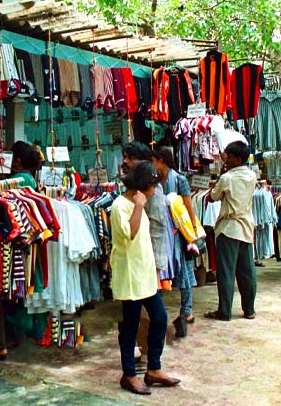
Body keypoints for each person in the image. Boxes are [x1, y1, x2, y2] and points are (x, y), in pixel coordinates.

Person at [111, 161, 180, 395]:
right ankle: (128, 374)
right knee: (130, 326)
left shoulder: (139, 204)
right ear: (144, 186)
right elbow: (130, 234)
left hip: (146, 274)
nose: (153, 192)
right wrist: (139, 207)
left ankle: (154, 369)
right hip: (130, 275)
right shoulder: (120, 205)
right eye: (152, 187)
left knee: (159, 318)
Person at [204, 141, 258, 320]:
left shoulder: (227, 178)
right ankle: (249, 309)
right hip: (246, 226)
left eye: (229, 156)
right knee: (247, 271)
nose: (225, 158)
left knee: (226, 271)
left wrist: (220, 176)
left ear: (238, 158)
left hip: (228, 228)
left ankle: (225, 311)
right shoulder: (252, 176)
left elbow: (213, 197)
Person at [152, 147, 198, 324]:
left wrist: (191, 232)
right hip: (160, 232)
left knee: (183, 271)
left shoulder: (179, 180)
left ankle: (187, 311)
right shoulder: (154, 181)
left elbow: (188, 206)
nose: (152, 164)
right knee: (161, 268)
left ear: (161, 161)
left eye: (154, 161)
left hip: (178, 233)